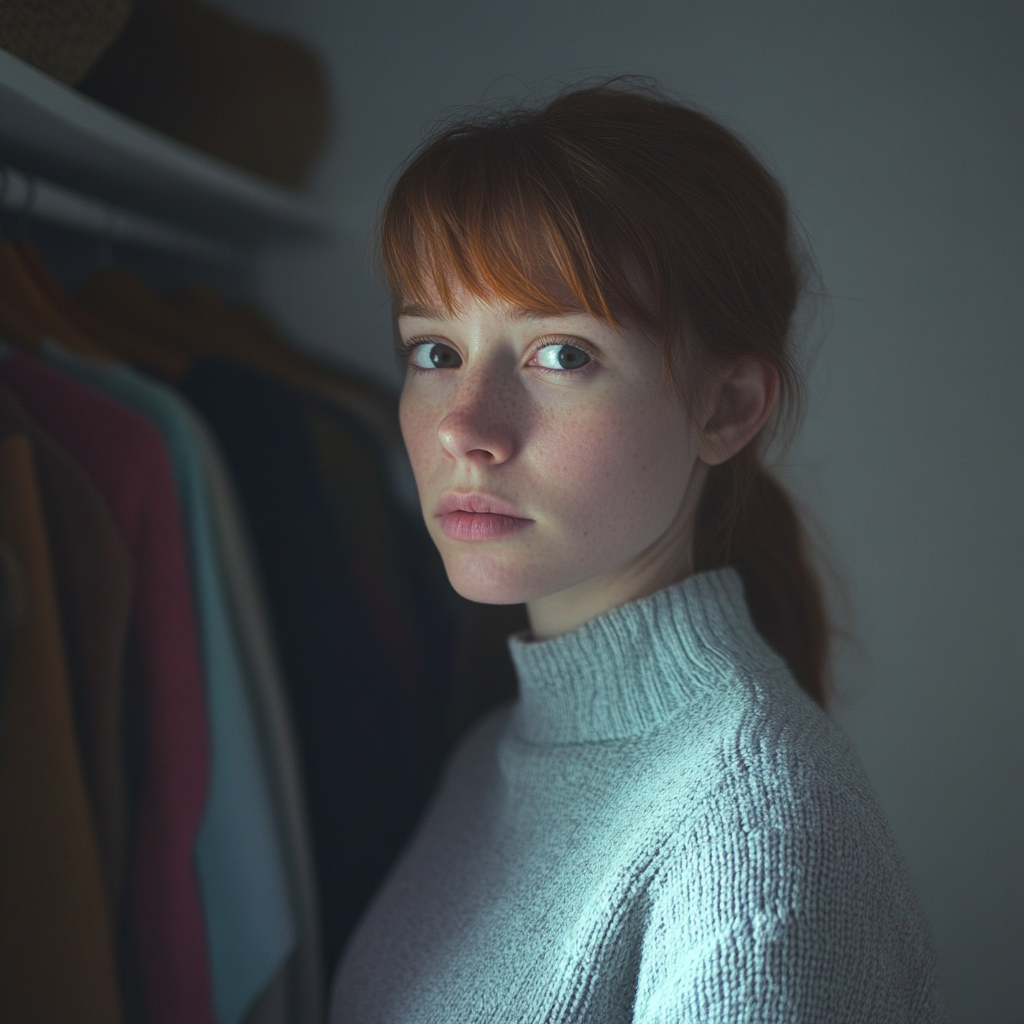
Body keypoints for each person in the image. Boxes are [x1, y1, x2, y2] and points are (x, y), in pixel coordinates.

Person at [330, 80, 946, 1022]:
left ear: (728, 406)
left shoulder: (755, 824)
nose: (464, 428)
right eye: (435, 351)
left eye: (562, 354)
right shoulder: (488, 753)